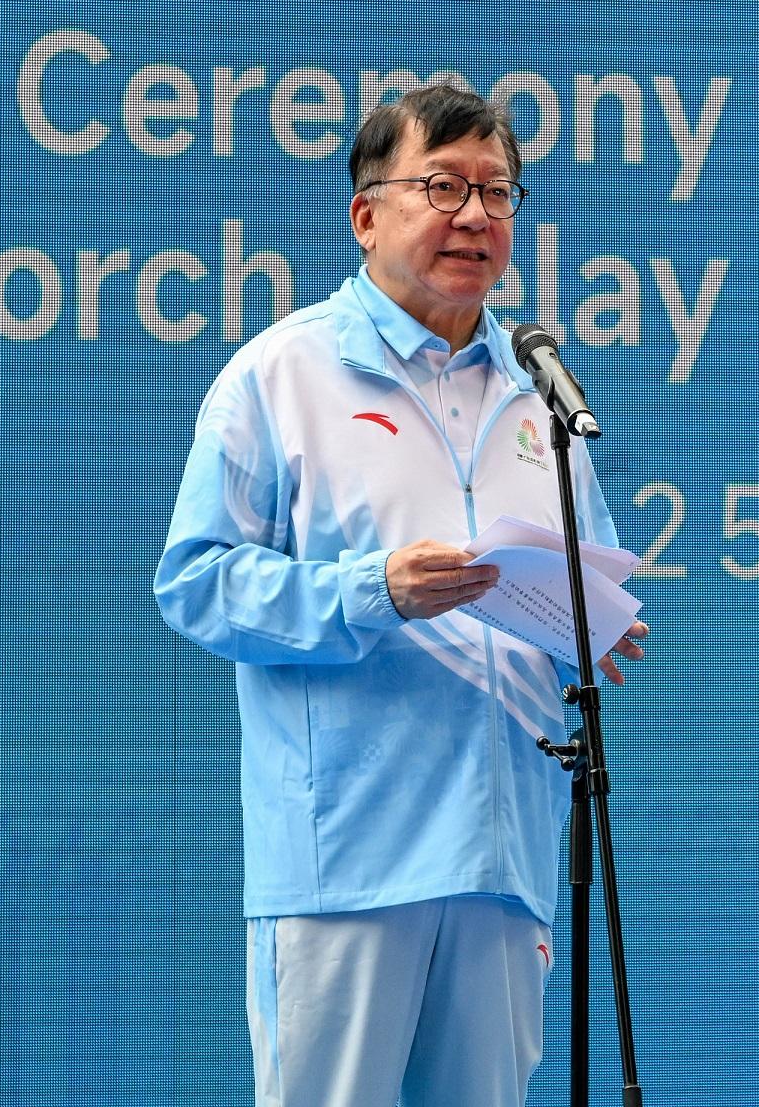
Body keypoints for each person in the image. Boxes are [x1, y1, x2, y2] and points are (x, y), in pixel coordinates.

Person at [155, 82, 649, 1107]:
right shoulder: (281, 376)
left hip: (502, 857)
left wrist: (592, 630)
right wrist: (369, 589)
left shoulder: (537, 393)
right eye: (444, 185)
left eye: (498, 191)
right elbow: (195, 583)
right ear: (366, 213)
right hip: (348, 859)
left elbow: (583, 575)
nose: (476, 214)